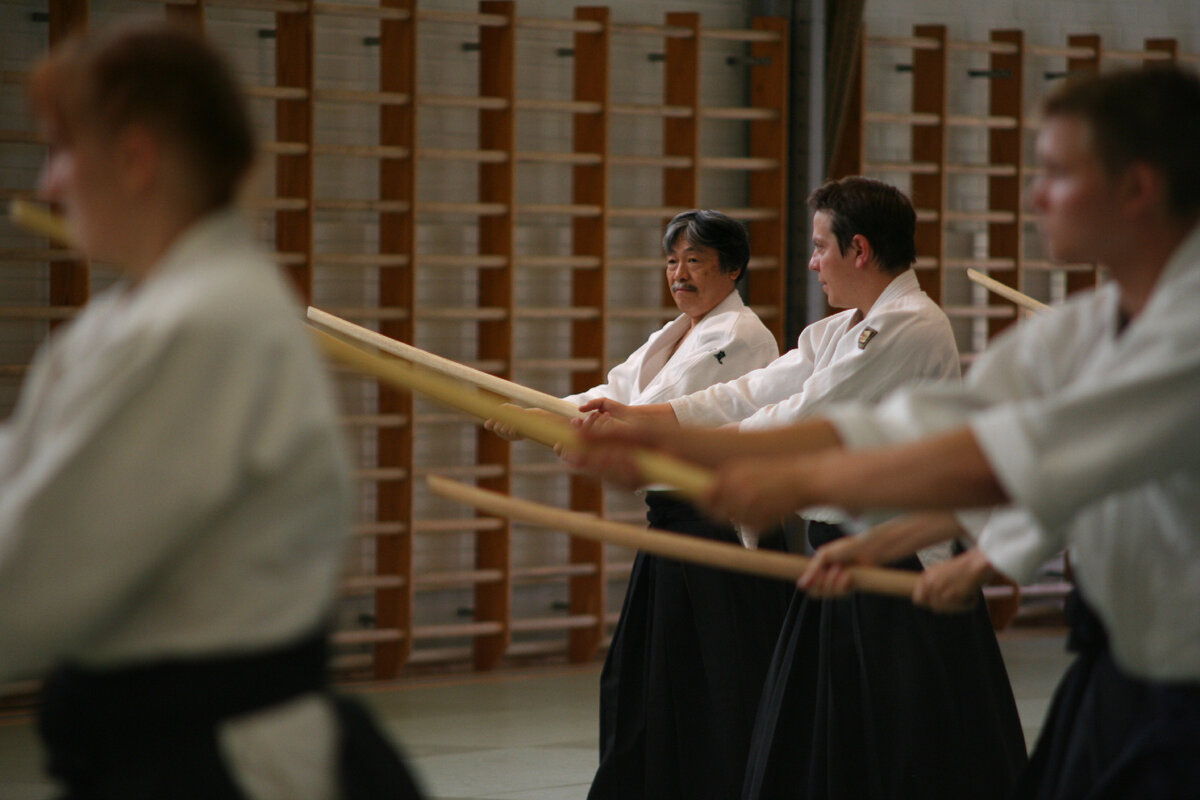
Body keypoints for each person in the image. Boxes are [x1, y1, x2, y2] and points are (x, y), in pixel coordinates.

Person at [580, 65, 1200, 799]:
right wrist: (947, 551)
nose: (1036, 196)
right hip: (1119, 671)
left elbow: (999, 458)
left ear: (1138, 188)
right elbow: (957, 430)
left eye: (1060, 173)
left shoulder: (1185, 334)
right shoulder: (1088, 328)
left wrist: (744, 470)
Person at [2, 22, 422, 799]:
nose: (49, 182)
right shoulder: (129, 319)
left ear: (135, 159)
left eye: (63, 149)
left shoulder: (205, 326)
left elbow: (30, 568)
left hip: (220, 765)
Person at [582, 177, 1026, 800]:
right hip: (840, 555)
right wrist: (629, 419)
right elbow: (750, 392)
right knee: (815, 747)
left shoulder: (906, 327)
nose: (813, 262)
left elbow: (796, 419)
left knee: (896, 755)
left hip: (890, 565)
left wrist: (658, 445)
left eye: (821, 247)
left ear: (860, 250)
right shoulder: (844, 328)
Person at [494, 209, 784, 799]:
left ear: (732, 269)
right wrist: (542, 413)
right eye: (673, 261)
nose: (679, 273)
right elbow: (616, 392)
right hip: (671, 528)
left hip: (717, 528)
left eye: (695, 261)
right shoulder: (673, 335)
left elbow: (673, 410)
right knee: (642, 679)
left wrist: (581, 427)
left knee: (719, 681)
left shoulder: (742, 335)